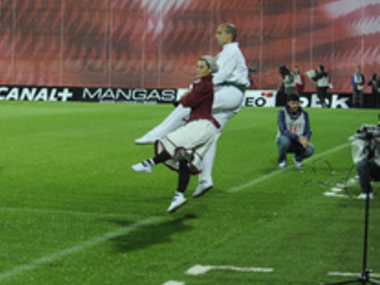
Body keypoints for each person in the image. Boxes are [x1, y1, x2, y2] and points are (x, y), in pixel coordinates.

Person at [134, 23, 248, 198]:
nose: (216, 36)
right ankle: (205, 180)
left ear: (229, 36)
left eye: (219, 33)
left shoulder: (230, 51)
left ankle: (156, 134)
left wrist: (195, 87)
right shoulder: (229, 52)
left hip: (228, 92)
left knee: (188, 104)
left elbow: (219, 76)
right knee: (211, 136)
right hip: (232, 96)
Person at [132, 56, 220, 213]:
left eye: (201, 67)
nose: (198, 69)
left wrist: (184, 96)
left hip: (200, 125)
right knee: (183, 159)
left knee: (169, 141)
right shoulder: (204, 85)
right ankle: (179, 196)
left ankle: (148, 164)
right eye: (197, 66)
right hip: (206, 127)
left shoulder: (204, 85)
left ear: (210, 70)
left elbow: (187, 102)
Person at [276, 93, 314, 169]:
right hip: (286, 138)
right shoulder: (282, 113)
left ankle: (298, 159)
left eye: (297, 103)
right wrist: (298, 138)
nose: (295, 106)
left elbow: (307, 129)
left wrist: (306, 138)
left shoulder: (304, 114)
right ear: (288, 103)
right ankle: (282, 160)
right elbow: (283, 130)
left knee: (310, 149)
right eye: (292, 103)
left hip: (299, 140)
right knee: (284, 142)